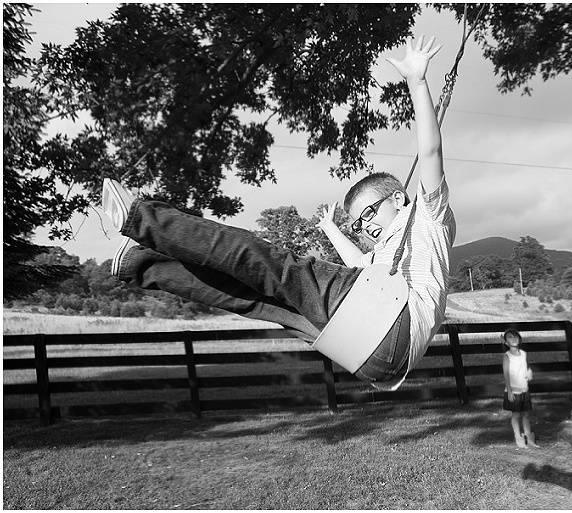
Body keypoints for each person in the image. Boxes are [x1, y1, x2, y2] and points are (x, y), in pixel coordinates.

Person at [101, 36, 455, 391]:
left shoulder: (428, 218)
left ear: (399, 198)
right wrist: (332, 228)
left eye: (369, 213)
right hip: (378, 360)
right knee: (252, 299)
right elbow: (357, 265)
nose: (366, 227)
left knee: (267, 260)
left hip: (392, 324)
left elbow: (430, 152)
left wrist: (418, 82)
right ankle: (139, 265)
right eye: (359, 223)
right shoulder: (383, 264)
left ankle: (141, 218)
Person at [501, 328, 538, 448]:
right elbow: (506, 374)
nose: (513, 339)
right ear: (506, 343)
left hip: (524, 388)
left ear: (519, 338)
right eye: (510, 337)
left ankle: (529, 437)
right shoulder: (507, 356)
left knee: (526, 413)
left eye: (515, 336)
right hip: (513, 390)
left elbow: (525, 366)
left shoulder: (523, 354)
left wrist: (529, 371)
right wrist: (509, 391)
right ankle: (519, 438)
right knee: (516, 414)